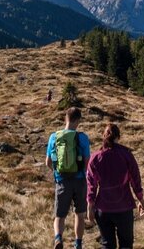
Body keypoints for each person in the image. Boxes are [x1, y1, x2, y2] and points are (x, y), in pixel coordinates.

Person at [86, 123, 144, 249]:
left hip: (103, 209)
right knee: (126, 244)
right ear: (118, 137)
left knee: (107, 244)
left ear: (103, 136)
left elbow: (91, 184)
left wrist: (90, 206)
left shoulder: (95, 158)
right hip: (124, 208)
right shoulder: (126, 155)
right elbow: (135, 180)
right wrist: (140, 199)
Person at [46, 107, 91, 249]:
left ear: (66, 118)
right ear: (78, 121)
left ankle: (58, 238)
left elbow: (48, 162)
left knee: (60, 215)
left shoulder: (54, 137)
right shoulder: (82, 138)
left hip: (62, 180)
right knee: (79, 213)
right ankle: (78, 244)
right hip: (79, 180)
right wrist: (81, 172)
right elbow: (86, 160)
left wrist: (58, 172)